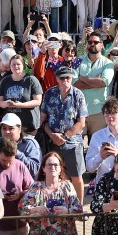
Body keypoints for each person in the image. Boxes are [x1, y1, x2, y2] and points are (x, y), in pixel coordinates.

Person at [20, 151, 84, 235]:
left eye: (56, 164)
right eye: (49, 164)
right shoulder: (35, 187)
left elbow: (80, 212)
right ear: (43, 168)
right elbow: (21, 211)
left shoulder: (67, 186)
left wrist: (67, 211)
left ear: (61, 167)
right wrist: (35, 209)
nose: (52, 167)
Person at [40, 67, 88, 200]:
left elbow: (81, 122)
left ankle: (78, 208)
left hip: (73, 143)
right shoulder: (49, 93)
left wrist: (66, 136)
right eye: (62, 78)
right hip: (52, 142)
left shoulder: (78, 95)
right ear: (57, 79)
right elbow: (42, 120)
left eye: (68, 77)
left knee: (76, 176)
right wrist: (52, 135)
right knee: (53, 176)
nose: (65, 80)